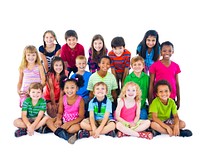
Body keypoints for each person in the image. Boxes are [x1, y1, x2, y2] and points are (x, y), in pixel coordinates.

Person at [46, 74, 85, 144]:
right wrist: (58, 120)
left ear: (77, 88)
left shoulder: (80, 100)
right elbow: (60, 112)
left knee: (75, 128)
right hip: (64, 119)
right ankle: (64, 134)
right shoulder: (63, 98)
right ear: (63, 89)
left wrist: (68, 124)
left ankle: (56, 130)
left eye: (72, 88)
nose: (69, 90)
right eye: (67, 88)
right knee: (48, 120)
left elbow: (81, 117)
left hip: (74, 122)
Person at [149, 41, 181, 109]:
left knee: (171, 117)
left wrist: (178, 100)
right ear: (160, 51)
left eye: (169, 51)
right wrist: (150, 99)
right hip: (158, 96)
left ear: (173, 52)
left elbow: (177, 84)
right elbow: (151, 83)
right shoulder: (154, 65)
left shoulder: (176, 66)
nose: (167, 53)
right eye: (164, 51)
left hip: (171, 97)